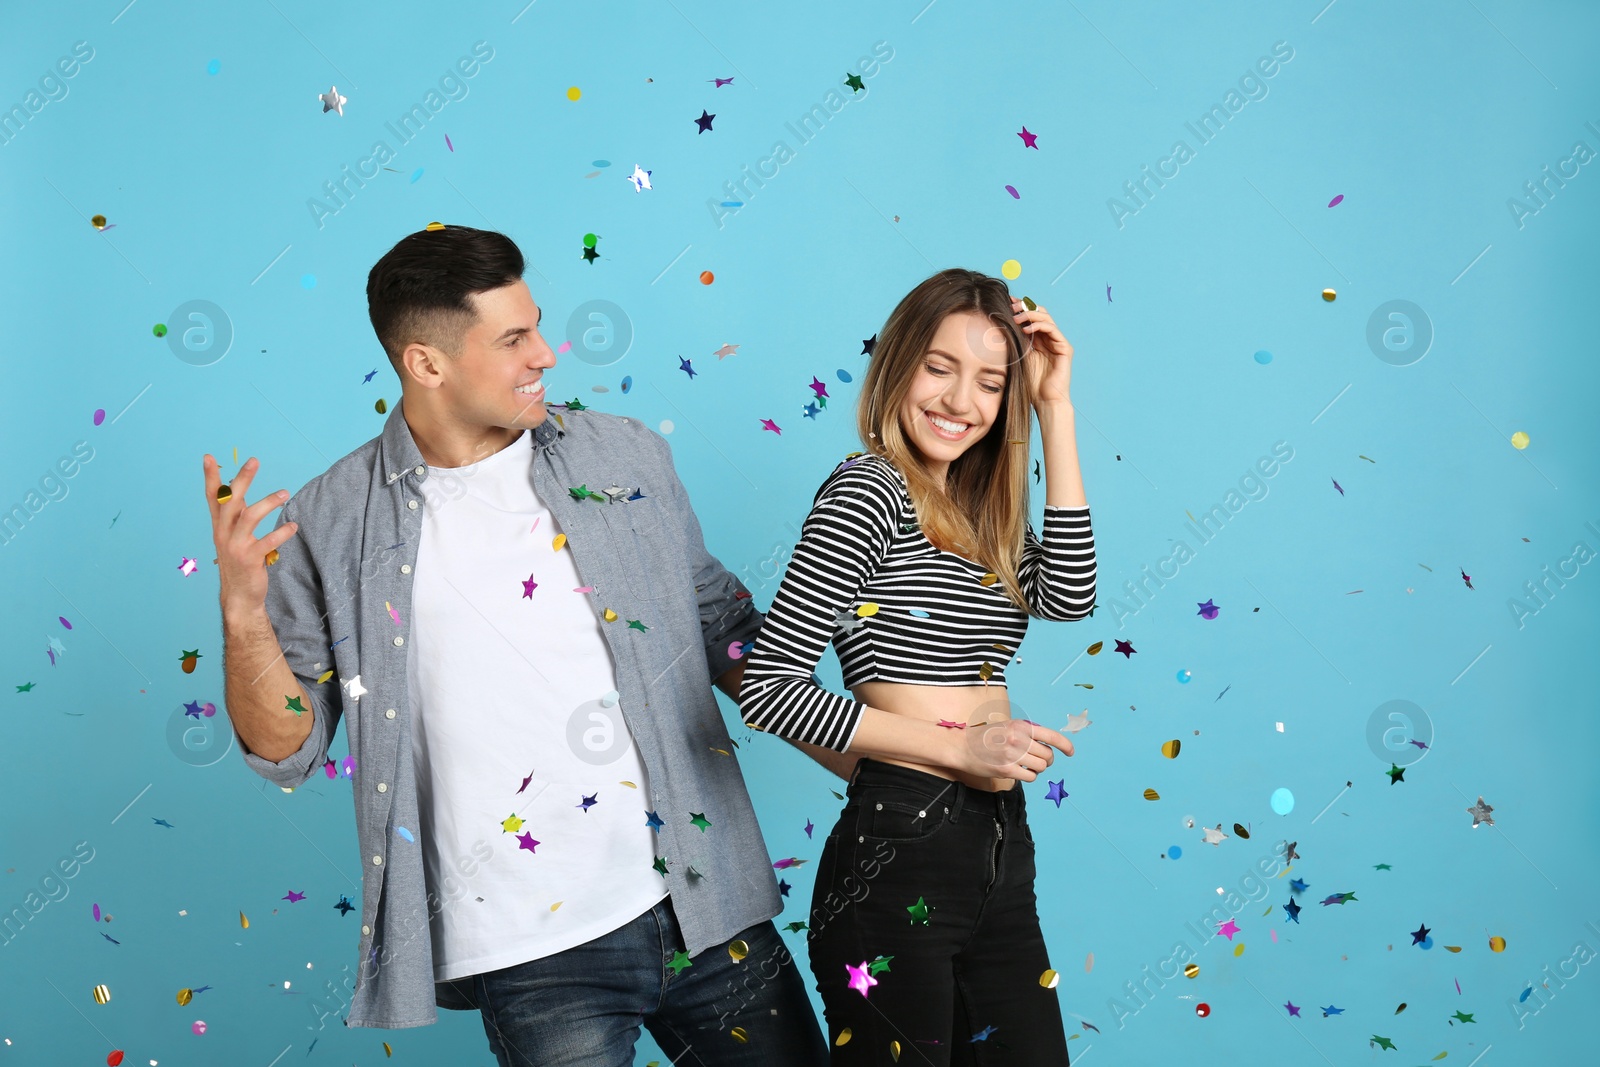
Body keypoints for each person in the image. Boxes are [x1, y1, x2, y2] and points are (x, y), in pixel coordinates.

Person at [206, 224, 829, 1066]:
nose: (546, 352)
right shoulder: (329, 521)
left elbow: (726, 636)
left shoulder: (624, 451)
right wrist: (243, 613)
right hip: (528, 954)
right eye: (513, 339)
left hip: (706, 901)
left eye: (536, 324)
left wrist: (892, 754)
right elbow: (288, 745)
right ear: (426, 363)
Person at [738, 267, 1097, 1064]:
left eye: (990, 381)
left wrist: (1055, 407)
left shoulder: (979, 509)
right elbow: (768, 689)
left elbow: (1069, 594)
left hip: (998, 849)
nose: (961, 400)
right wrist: (958, 748)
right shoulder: (871, 490)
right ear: (897, 365)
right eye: (940, 367)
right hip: (899, 849)